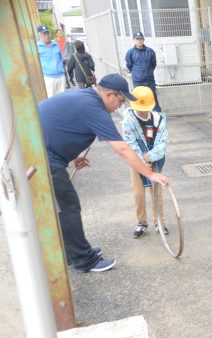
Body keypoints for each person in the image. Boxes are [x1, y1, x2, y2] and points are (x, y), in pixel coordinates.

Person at [38, 74, 170, 273]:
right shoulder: (94, 108)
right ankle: (84, 260)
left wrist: (73, 156)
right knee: (68, 206)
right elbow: (123, 149)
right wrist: (150, 175)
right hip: (40, 157)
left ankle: (72, 253)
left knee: (62, 208)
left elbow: (63, 126)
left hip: (40, 152)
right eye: (121, 100)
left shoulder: (85, 97)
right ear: (110, 94)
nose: (121, 106)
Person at [121, 86, 168, 238]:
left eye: (145, 108)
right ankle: (141, 222)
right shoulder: (128, 121)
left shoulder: (159, 119)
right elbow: (130, 145)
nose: (142, 111)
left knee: (157, 193)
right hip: (135, 162)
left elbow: (162, 143)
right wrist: (141, 162)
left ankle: (159, 222)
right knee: (138, 193)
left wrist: (150, 158)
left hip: (155, 161)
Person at [125, 31, 161, 112]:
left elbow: (153, 64)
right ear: (134, 40)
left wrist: (148, 72)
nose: (139, 41)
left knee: (152, 97)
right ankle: (140, 116)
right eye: (137, 39)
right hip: (138, 81)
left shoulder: (150, 51)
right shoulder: (130, 52)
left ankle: (157, 114)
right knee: (138, 99)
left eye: (141, 39)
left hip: (149, 80)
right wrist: (137, 73)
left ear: (143, 40)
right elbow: (129, 65)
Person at [37, 25, 65, 97]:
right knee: (51, 99)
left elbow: (61, 58)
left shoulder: (56, 44)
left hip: (61, 76)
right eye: (44, 34)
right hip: (48, 78)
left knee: (63, 99)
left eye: (47, 33)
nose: (47, 36)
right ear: (39, 35)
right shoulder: (37, 47)